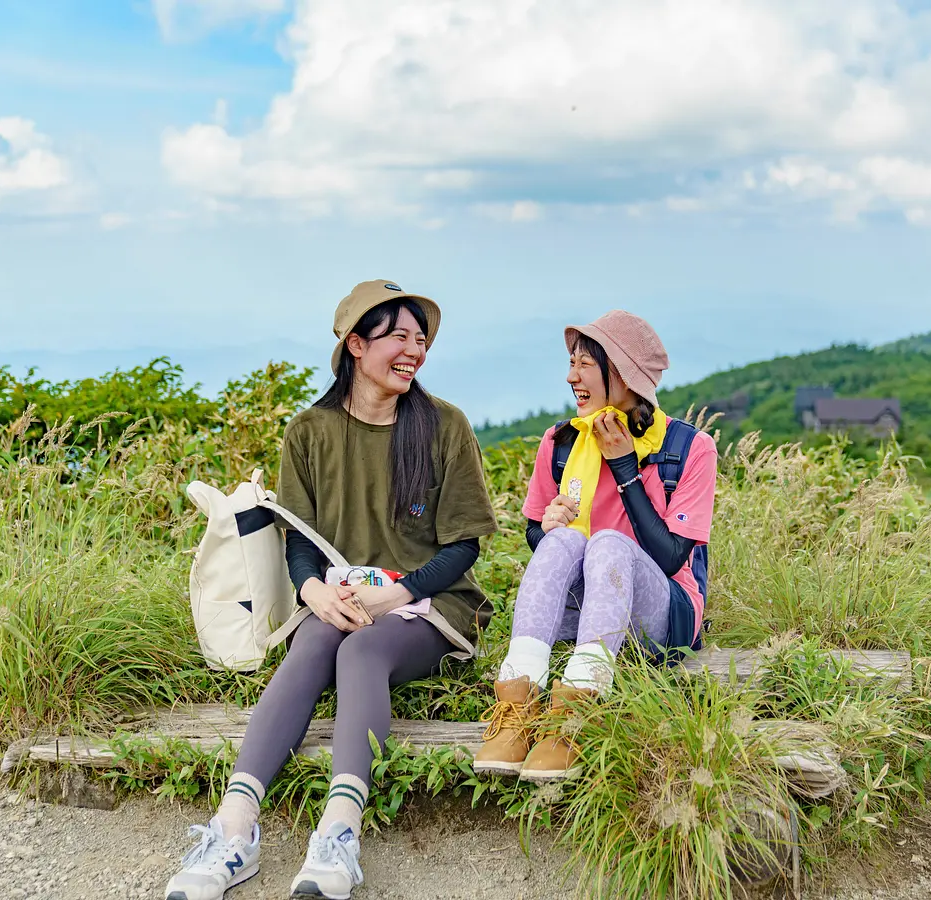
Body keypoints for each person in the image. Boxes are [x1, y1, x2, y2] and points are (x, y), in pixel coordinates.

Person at [166, 280, 498, 900]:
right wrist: (311, 588)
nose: (415, 350)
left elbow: (465, 547)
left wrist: (397, 593)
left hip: (427, 603)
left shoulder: (444, 426)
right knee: (316, 640)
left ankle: (340, 829)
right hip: (339, 596)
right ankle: (233, 828)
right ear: (355, 344)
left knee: (362, 651)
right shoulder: (309, 431)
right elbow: (299, 537)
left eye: (420, 339)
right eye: (399, 336)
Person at [472, 309, 717, 782]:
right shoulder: (560, 443)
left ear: (624, 374)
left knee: (607, 541)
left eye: (585, 364)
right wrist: (546, 530)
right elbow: (536, 540)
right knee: (565, 540)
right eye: (571, 362)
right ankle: (516, 709)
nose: (571, 377)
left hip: (663, 615)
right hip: (586, 607)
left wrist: (625, 466)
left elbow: (670, 558)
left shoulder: (688, 449)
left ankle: (574, 718)